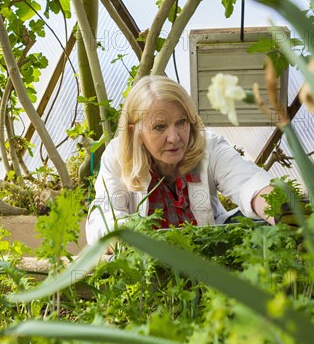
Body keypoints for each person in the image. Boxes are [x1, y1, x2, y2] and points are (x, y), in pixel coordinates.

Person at [86, 76, 275, 244]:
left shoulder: (208, 145)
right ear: (136, 132)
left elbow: (248, 182)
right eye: (160, 127)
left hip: (209, 257)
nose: (174, 137)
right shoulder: (117, 157)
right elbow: (103, 222)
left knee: (256, 225)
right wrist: (134, 237)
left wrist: (281, 212)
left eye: (181, 122)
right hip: (152, 267)